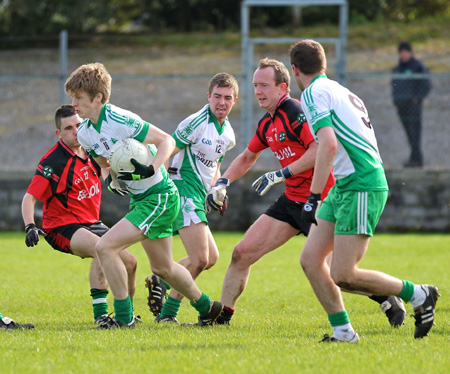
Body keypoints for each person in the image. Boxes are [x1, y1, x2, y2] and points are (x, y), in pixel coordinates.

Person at [205, 58, 405, 328]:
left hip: (322, 200)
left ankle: (386, 298)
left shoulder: (297, 112)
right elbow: (247, 157)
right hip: (291, 202)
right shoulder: (268, 123)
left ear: (282, 87)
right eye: (255, 85)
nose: (258, 91)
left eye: (264, 85)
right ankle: (222, 320)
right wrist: (222, 182)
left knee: (339, 274)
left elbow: (317, 150)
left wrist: (280, 174)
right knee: (242, 253)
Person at [290, 39, 439, 342]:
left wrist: (313, 196)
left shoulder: (312, 93)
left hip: (361, 185)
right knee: (311, 260)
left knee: (344, 275)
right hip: (347, 184)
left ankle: (419, 294)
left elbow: (328, 145)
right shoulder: (340, 89)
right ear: (324, 65)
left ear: (294, 70)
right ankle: (343, 332)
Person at [64, 62, 223, 329]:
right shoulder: (85, 132)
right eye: (73, 97)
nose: (74, 103)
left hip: (160, 195)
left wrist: (152, 167)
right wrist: (112, 180)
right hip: (141, 199)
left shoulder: (119, 119)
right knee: (164, 269)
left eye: (79, 97)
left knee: (105, 248)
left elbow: (167, 141)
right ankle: (208, 308)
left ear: (98, 97)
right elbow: (104, 162)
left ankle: (124, 318)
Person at [21, 104, 137, 326]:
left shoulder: (91, 148)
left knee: (131, 263)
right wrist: (30, 225)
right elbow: (29, 197)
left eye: (78, 125)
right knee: (101, 249)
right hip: (61, 227)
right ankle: (101, 316)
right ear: (59, 133)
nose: (75, 131)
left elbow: (105, 167)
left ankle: (127, 314)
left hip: (91, 223)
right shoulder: (53, 162)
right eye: (68, 128)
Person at [145, 72, 238, 324]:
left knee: (211, 259)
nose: (221, 102)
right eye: (217, 96)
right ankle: (168, 315)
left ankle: (163, 279)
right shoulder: (195, 122)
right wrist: (157, 185)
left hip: (199, 195)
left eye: (227, 98)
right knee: (200, 259)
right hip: (183, 190)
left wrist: (218, 188)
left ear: (234, 100)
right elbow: (168, 151)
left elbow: (216, 164)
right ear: (208, 96)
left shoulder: (228, 132)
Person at [391, 41, 431, 167]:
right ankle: (414, 159)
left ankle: (417, 159)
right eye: (401, 52)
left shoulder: (417, 66)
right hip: (401, 106)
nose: (403, 55)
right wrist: (396, 100)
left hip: (413, 107)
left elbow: (426, 84)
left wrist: (417, 98)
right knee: (409, 133)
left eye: (405, 52)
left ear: (410, 52)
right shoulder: (398, 69)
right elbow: (395, 86)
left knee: (415, 133)